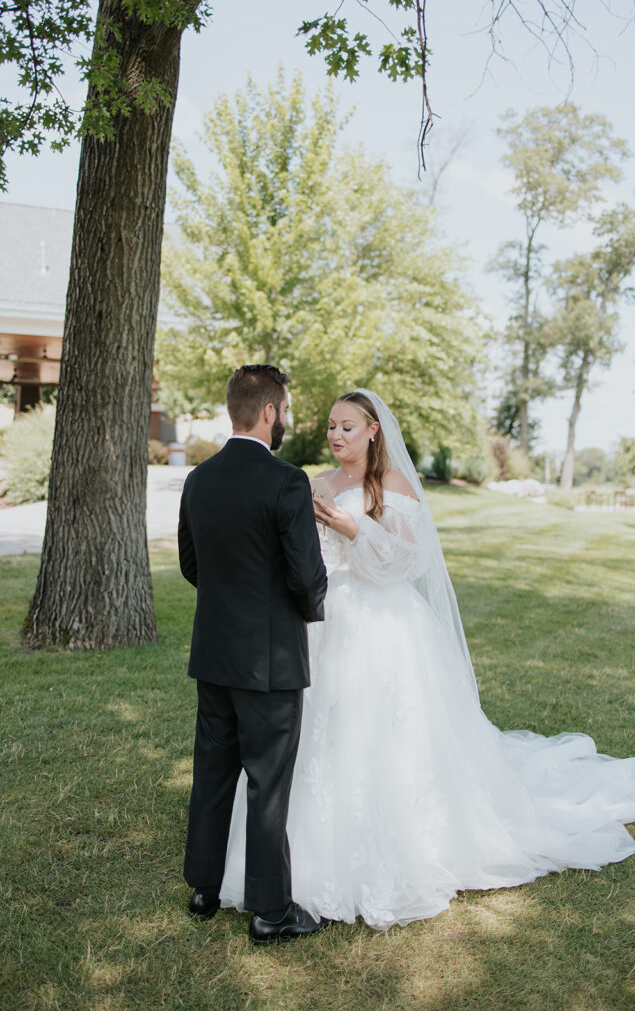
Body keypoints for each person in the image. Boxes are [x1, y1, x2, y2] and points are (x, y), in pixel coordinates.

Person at [218, 389, 635, 930]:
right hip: (323, 623)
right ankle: (288, 861)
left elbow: (405, 563)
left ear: (374, 431)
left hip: (384, 624)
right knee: (312, 735)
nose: (336, 436)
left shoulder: (397, 486)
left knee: (388, 732)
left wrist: (353, 528)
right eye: (332, 427)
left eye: (348, 427)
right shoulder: (313, 485)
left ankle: (406, 844)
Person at [178, 364, 328, 945]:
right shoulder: (286, 481)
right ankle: (271, 912)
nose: (284, 419)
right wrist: (310, 613)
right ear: (269, 412)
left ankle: (203, 889)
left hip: (214, 652)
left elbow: (193, 566)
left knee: (213, 771)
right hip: (269, 660)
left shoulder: (199, 479)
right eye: (284, 410)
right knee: (268, 782)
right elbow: (306, 575)